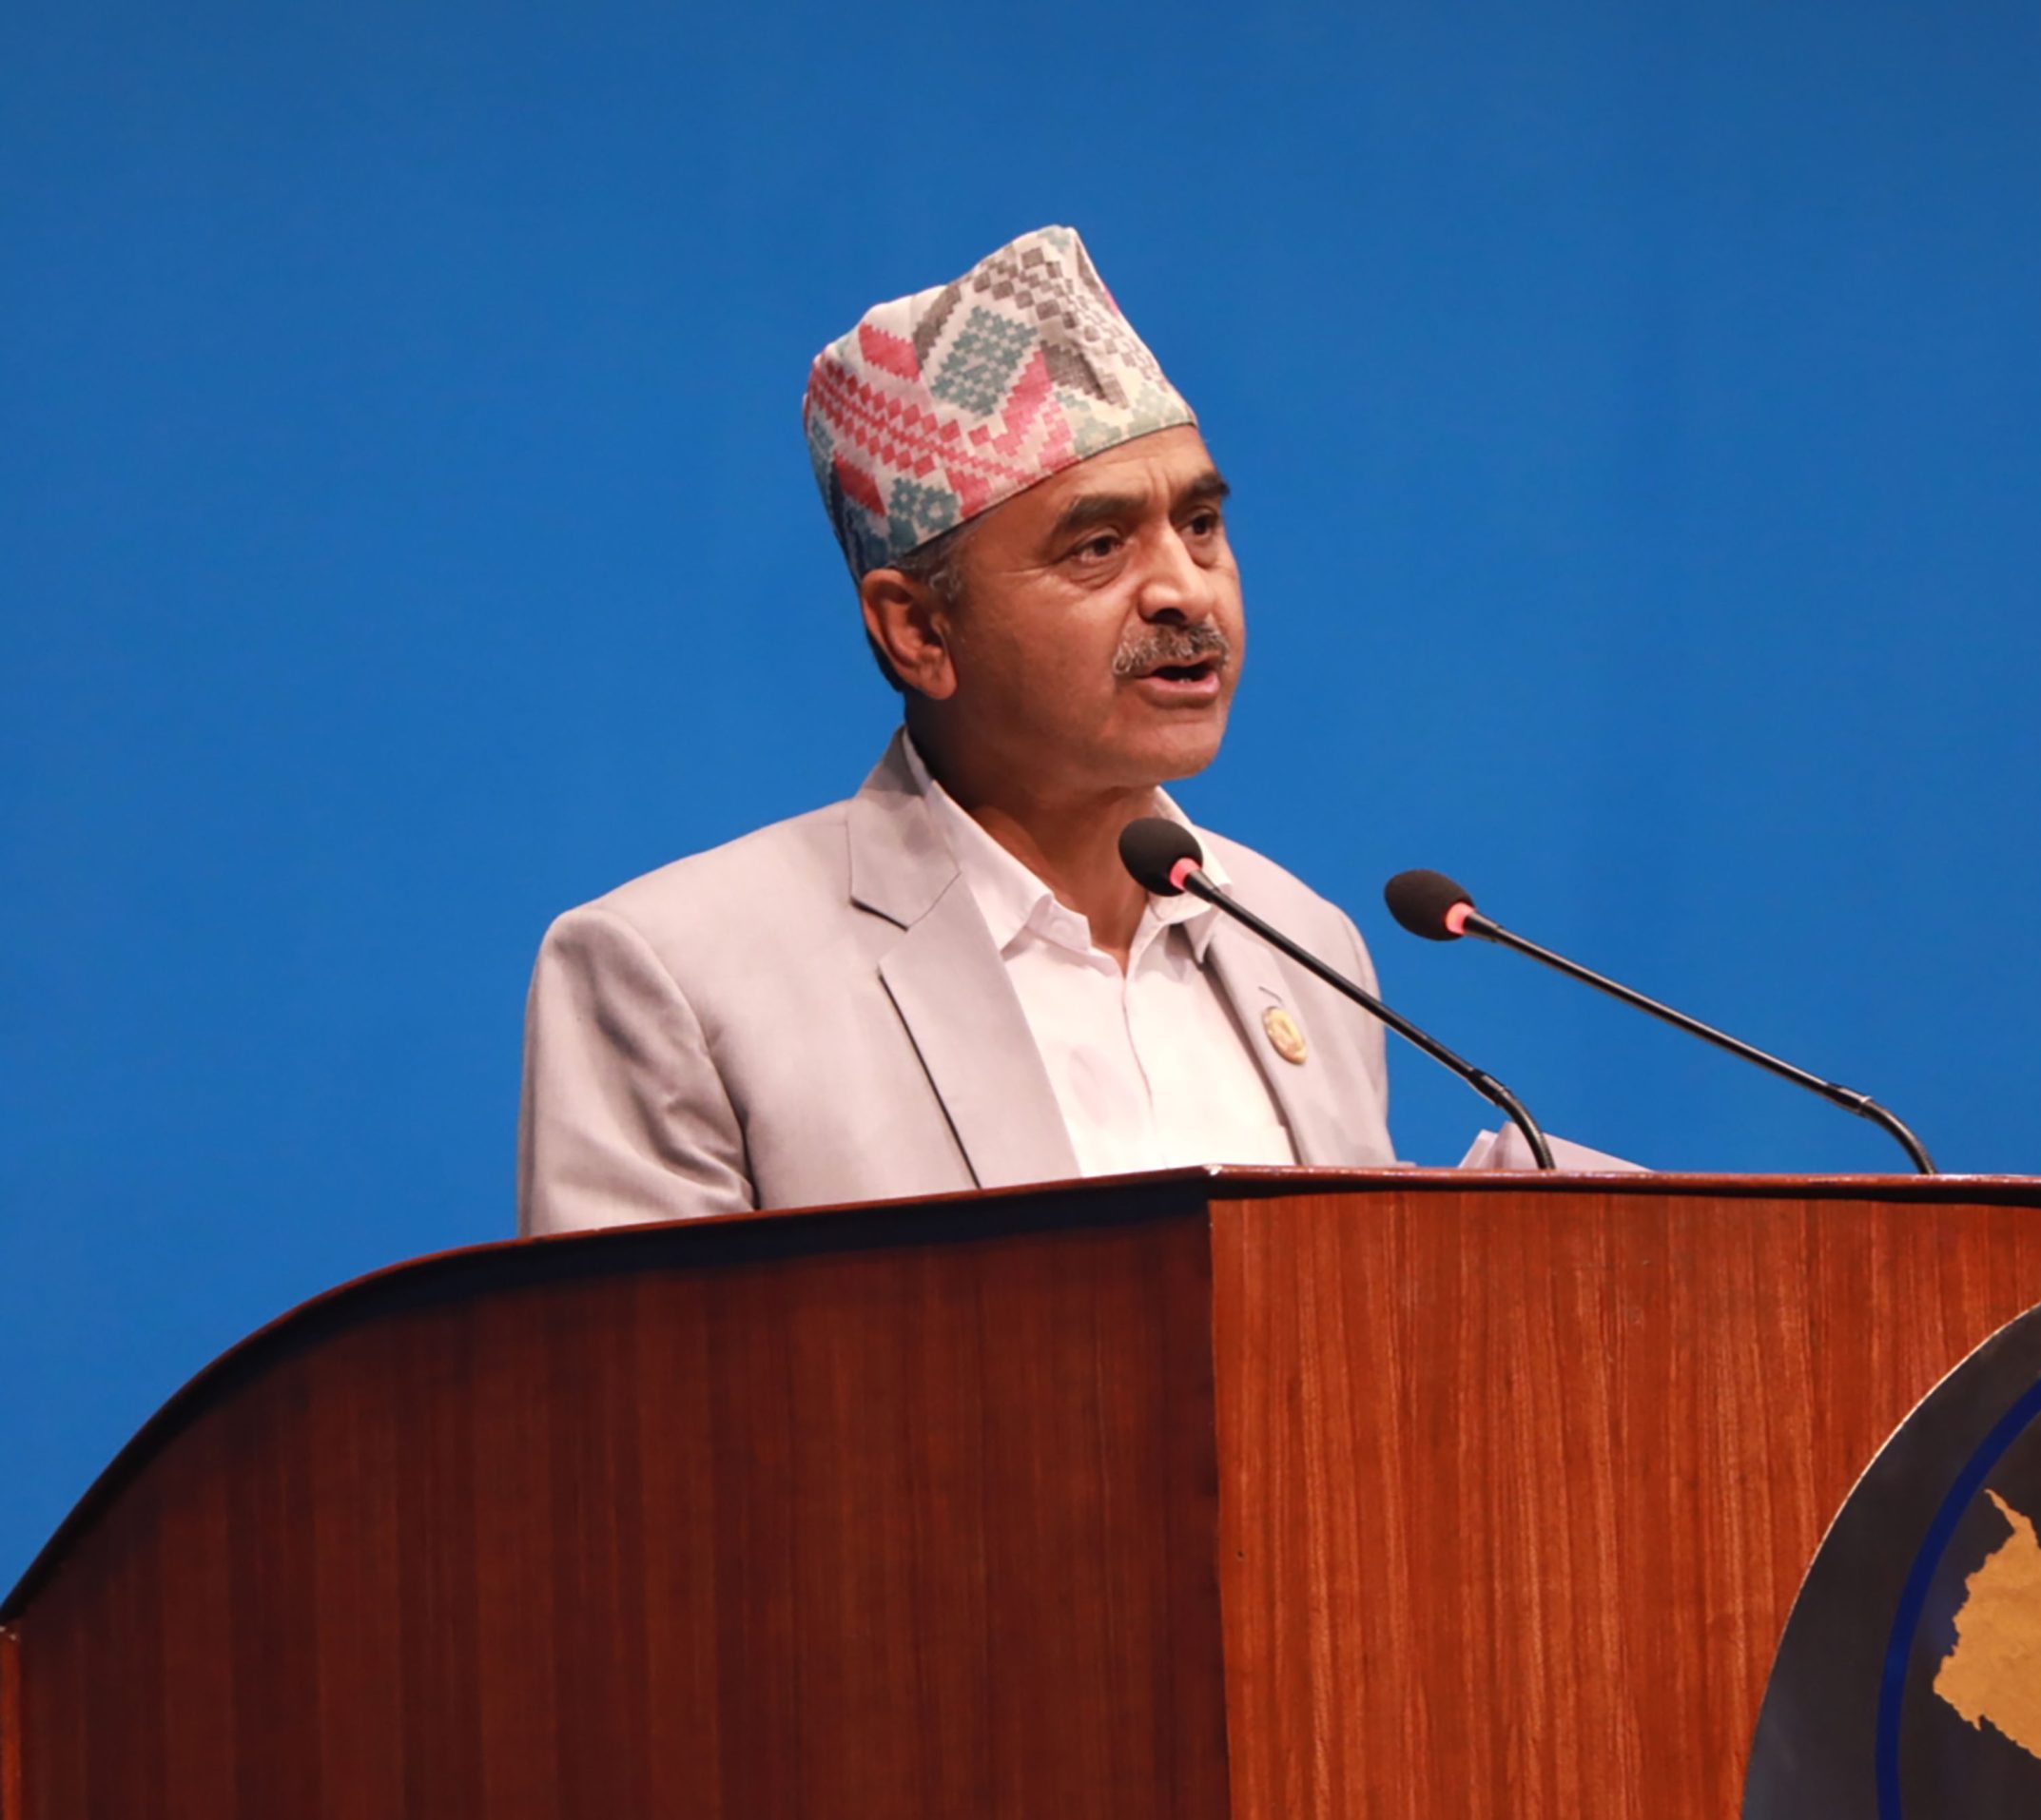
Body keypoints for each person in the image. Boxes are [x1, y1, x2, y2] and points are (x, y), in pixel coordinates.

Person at [517, 225, 1397, 1235]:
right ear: (920, 631)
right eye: (1098, 546)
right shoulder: (679, 974)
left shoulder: (1306, 946)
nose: (1186, 591)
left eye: (1199, 525)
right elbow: (644, 1346)